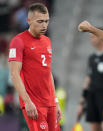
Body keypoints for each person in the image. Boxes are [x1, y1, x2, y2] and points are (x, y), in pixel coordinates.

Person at [8, 3, 61, 131]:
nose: (44, 25)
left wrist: (56, 101)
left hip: (50, 103)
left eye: (46, 21)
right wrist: (27, 101)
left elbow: (48, 73)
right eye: (40, 21)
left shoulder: (47, 41)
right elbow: (15, 74)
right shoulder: (18, 41)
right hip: (34, 103)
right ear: (29, 20)